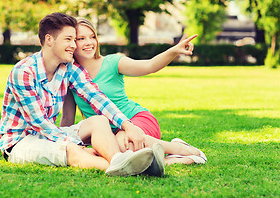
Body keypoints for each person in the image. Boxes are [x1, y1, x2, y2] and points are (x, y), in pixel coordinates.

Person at [0, 12, 164, 177]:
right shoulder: (24, 72)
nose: (74, 45)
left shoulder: (68, 68)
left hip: (49, 135)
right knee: (72, 150)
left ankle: (119, 159)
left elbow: (98, 98)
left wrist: (128, 125)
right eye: (68, 39)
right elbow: (39, 123)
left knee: (99, 120)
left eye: (74, 40)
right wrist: (78, 145)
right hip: (20, 141)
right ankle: (132, 167)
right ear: (49, 40)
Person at [62, 17, 207, 165]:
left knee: (121, 146)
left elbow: (149, 66)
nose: (89, 42)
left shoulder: (113, 62)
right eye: (81, 38)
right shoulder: (69, 77)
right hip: (107, 134)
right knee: (113, 151)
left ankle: (182, 149)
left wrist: (174, 51)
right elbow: (67, 119)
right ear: (72, 42)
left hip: (136, 120)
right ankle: (168, 160)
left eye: (92, 37)